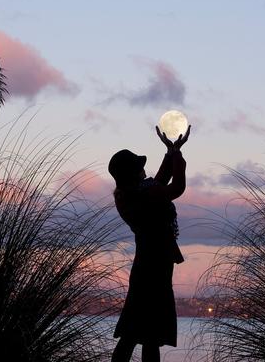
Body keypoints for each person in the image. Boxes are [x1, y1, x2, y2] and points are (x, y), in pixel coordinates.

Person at [108, 125, 191, 362]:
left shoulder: (130, 196)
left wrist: (170, 151)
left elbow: (160, 181)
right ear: (133, 173)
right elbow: (176, 187)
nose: (145, 170)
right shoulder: (145, 195)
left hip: (146, 267)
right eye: (140, 167)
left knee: (134, 333)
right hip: (155, 270)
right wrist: (176, 155)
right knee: (149, 336)